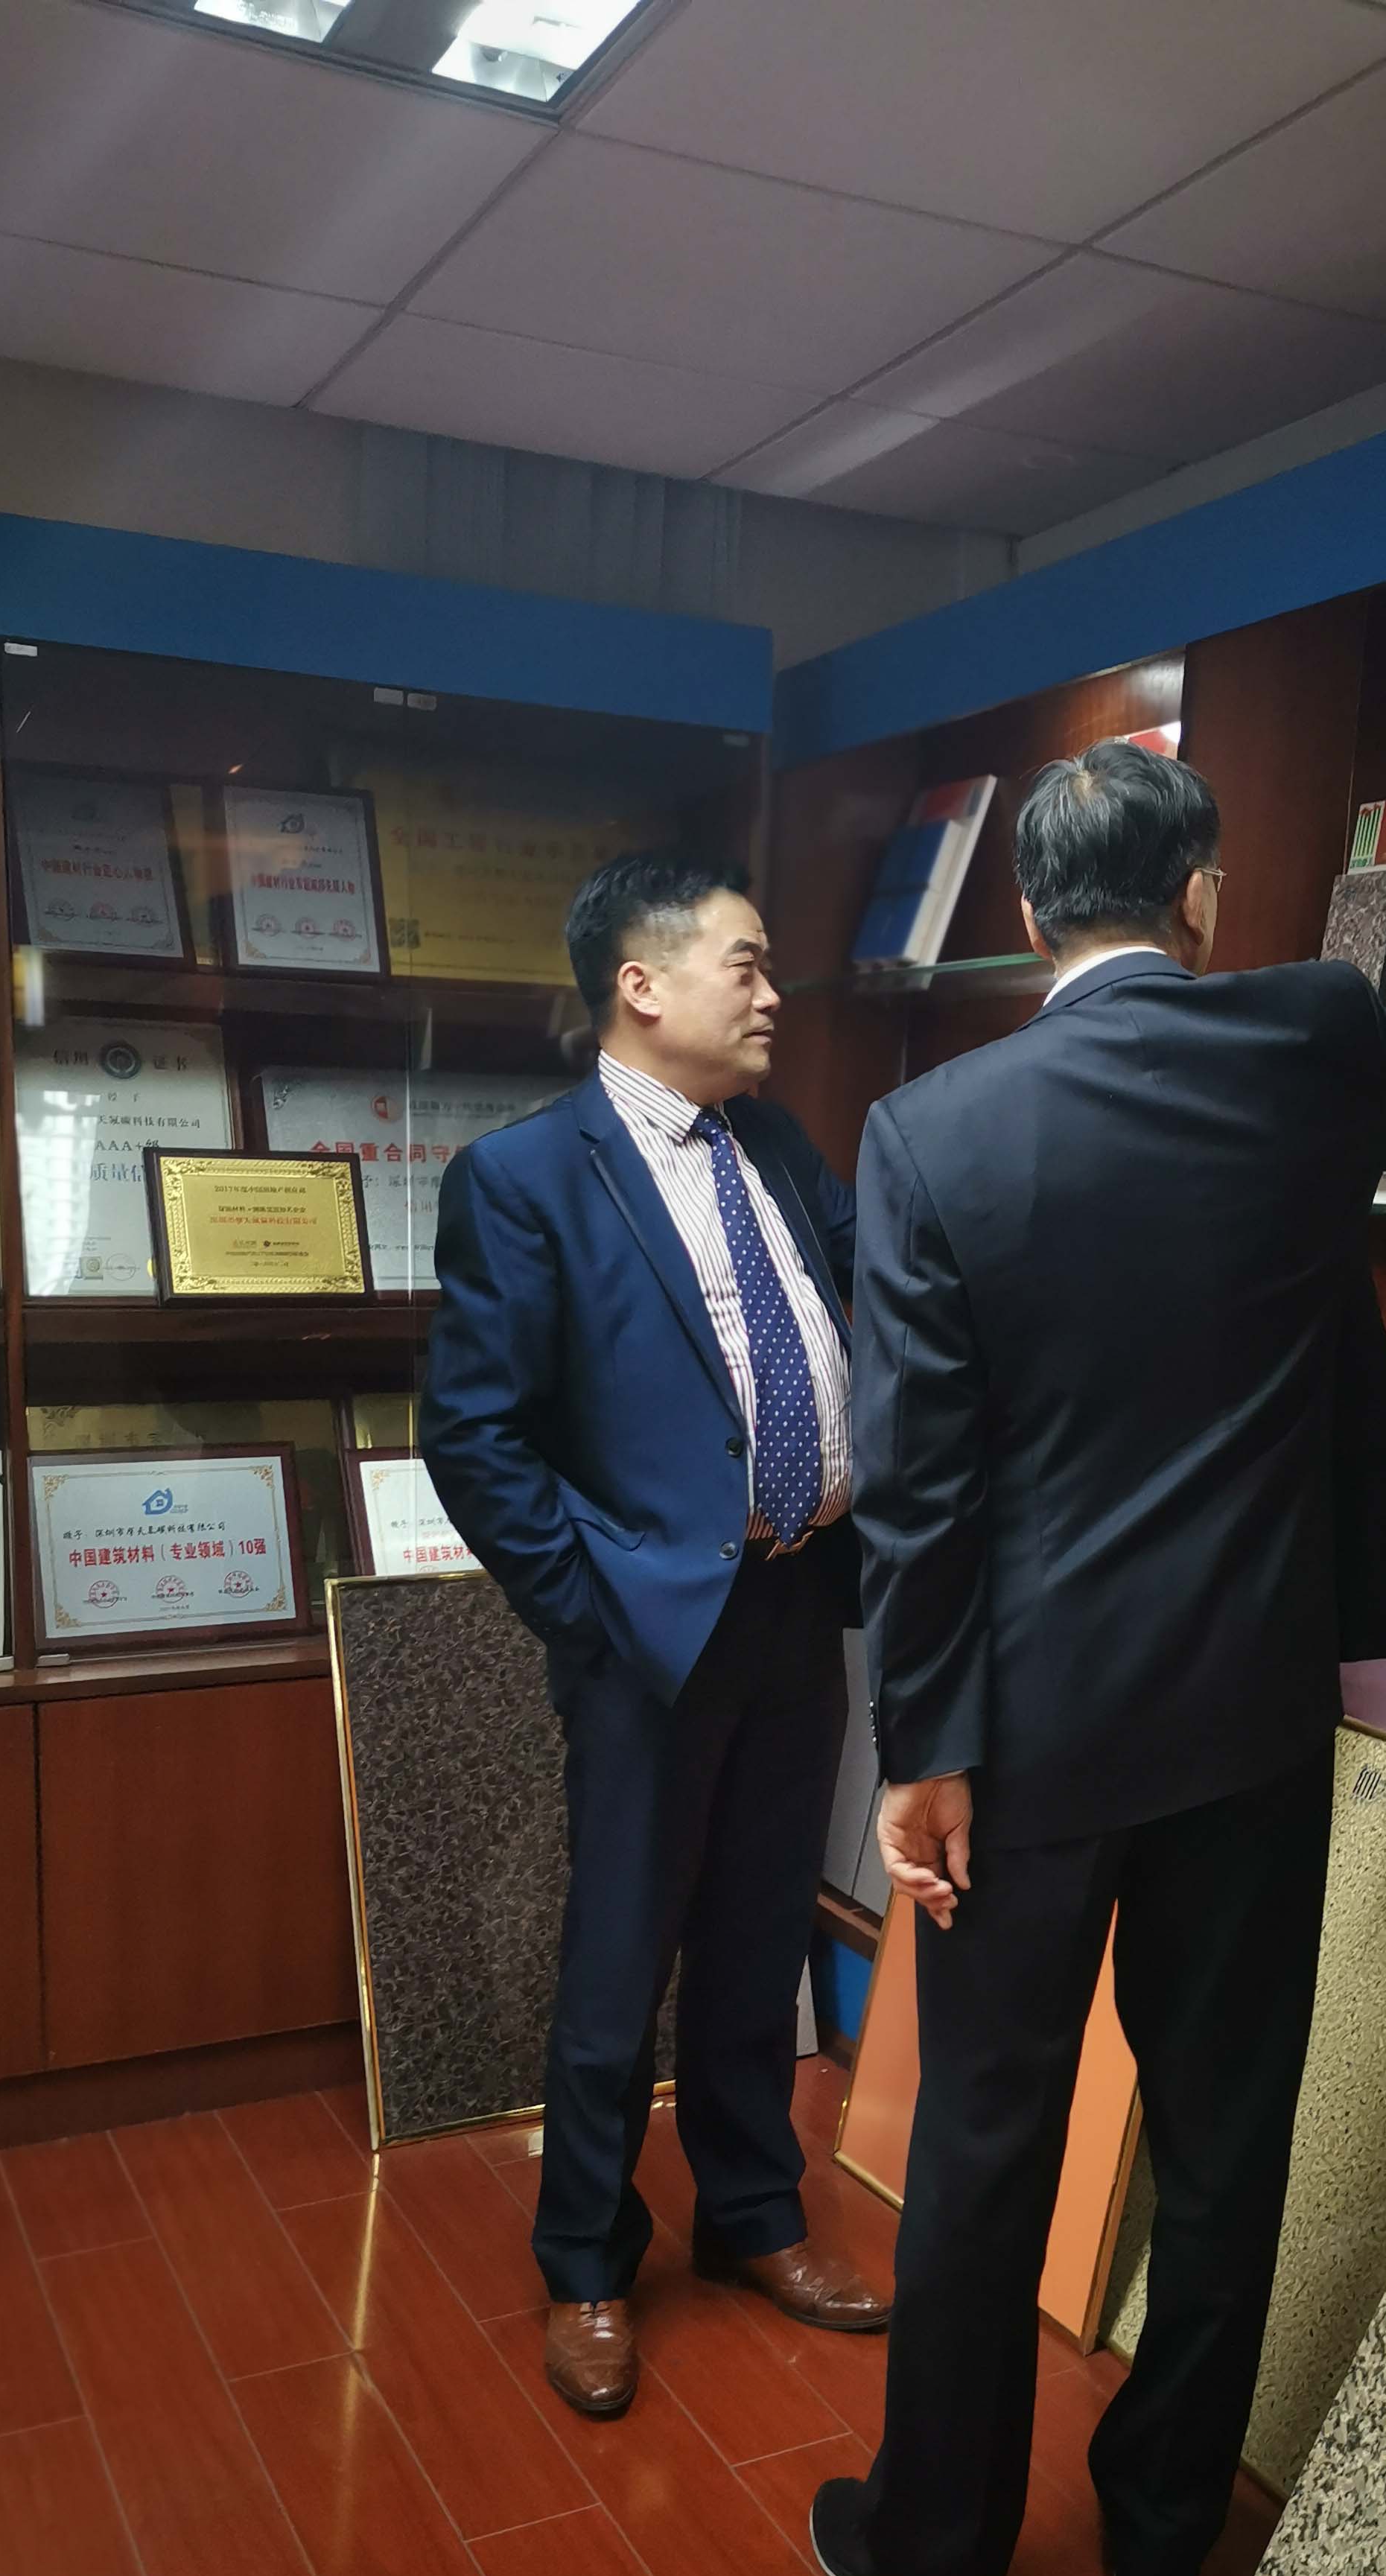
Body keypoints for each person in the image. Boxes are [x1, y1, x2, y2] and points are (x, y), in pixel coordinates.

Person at [810, 742, 1386, 2576]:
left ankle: (939, 2559)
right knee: (1226, 2135)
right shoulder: (1309, 1047)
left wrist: (925, 1751)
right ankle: (1163, 2535)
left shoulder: (931, 1131)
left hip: (1026, 1741)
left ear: (1031, 913)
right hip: (1252, 1721)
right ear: (1199, 897)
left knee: (984, 2143)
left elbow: (918, 1482)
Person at [420, 851, 888, 2421]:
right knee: (622, 1954)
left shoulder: (780, 1146)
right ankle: (586, 2260)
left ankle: (752, 2214)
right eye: (745, 964)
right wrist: (589, 1608)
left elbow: (862, 1309)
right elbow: (474, 1432)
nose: (773, 995)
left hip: (799, 1598)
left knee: (759, 1934)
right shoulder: (526, 1177)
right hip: (648, 1627)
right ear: (642, 983)